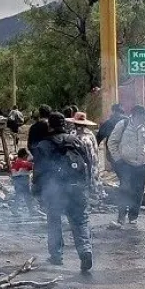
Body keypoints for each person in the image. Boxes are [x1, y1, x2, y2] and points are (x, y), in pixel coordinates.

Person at [33, 113, 93, 271]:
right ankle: (85, 251)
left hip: (54, 190)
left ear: (50, 126)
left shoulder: (43, 145)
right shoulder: (74, 140)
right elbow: (87, 162)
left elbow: (39, 171)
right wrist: (88, 184)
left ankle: (57, 256)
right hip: (77, 187)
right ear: (64, 125)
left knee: (54, 221)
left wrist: (37, 191)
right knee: (80, 221)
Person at [107, 105, 145, 228]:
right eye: (143, 116)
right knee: (125, 190)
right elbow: (112, 142)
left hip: (142, 165)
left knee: (138, 191)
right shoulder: (123, 124)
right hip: (126, 164)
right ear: (136, 115)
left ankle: (133, 217)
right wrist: (118, 160)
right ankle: (121, 216)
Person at [71, 111, 99, 186]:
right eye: (77, 124)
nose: (79, 126)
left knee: (90, 178)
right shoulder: (71, 133)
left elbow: (95, 150)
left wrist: (95, 165)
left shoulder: (90, 134)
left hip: (89, 160)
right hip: (77, 162)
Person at [10, 147, 40, 217]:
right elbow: (31, 166)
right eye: (27, 155)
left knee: (19, 196)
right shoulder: (23, 163)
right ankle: (31, 210)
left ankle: (15, 209)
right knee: (27, 196)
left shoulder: (16, 162)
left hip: (17, 180)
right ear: (25, 156)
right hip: (23, 181)